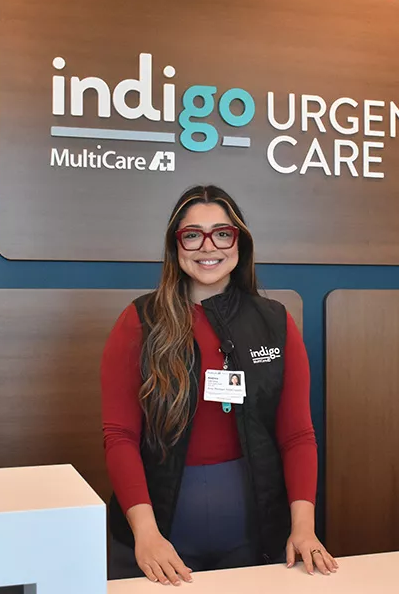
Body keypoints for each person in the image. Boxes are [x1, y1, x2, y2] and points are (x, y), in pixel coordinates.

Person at [101, 185, 338, 585]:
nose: (207, 246)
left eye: (222, 233)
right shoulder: (139, 320)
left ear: (239, 243)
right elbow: (120, 436)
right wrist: (146, 535)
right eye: (192, 234)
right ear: (176, 246)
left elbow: (297, 435)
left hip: (256, 535)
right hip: (160, 539)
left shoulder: (276, 322)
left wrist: (304, 526)